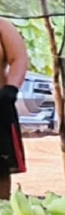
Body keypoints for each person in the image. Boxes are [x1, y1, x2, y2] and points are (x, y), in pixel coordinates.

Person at [0, 18, 28, 201]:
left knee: (0, 166)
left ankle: (1, 212)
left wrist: (11, 89)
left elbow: (18, 58)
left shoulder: (2, 26)